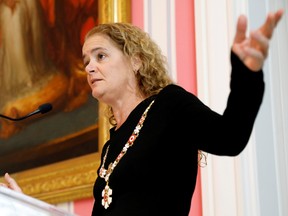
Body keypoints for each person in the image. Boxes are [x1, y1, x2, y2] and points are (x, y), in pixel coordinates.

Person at [1, 9, 284, 216]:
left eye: (100, 56)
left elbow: (230, 137)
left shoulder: (168, 105)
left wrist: (246, 73)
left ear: (136, 61)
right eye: (86, 60)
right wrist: (26, 207)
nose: (88, 68)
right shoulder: (112, 144)